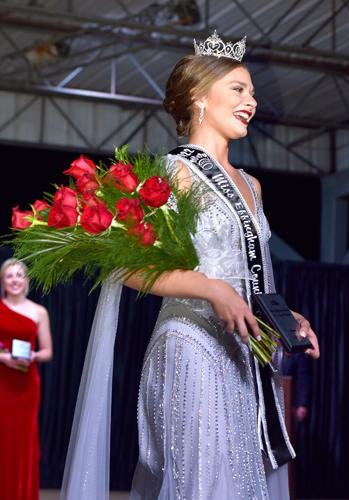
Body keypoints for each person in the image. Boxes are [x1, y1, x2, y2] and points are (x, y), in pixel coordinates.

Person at [61, 32, 320, 500]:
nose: (252, 101)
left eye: (253, 92)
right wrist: (212, 289)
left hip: (244, 356)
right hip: (191, 345)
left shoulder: (253, 186)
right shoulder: (172, 172)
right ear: (199, 96)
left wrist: (287, 317)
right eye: (239, 89)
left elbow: (251, 277)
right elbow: (130, 269)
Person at [0, 258, 53, 500]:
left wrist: (32, 355)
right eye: (9, 276)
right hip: (2, 382)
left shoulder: (39, 311)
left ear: (26, 280)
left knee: (22, 442)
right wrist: (3, 358)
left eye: (19, 275)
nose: (14, 280)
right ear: (3, 281)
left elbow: (47, 352)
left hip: (26, 387)